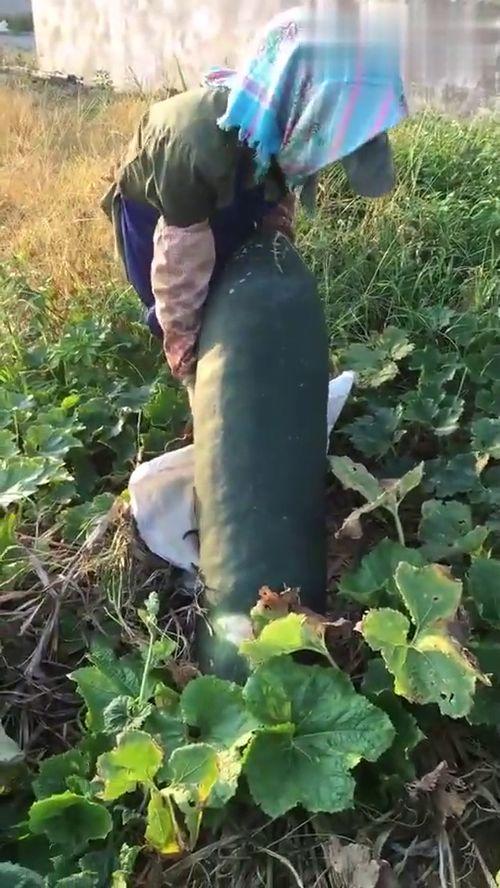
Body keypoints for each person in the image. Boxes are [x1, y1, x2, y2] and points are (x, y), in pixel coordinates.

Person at [102, 5, 408, 401]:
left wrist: (273, 254)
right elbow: (179, 273)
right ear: (304, 105)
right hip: (161, 211)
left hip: (232, 191)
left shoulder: (280, 130)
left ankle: (253, 385)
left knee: (237, 293)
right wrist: (186, 356)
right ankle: (207, 404)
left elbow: (278, 199)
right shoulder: (198, 146)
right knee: (187, 316)